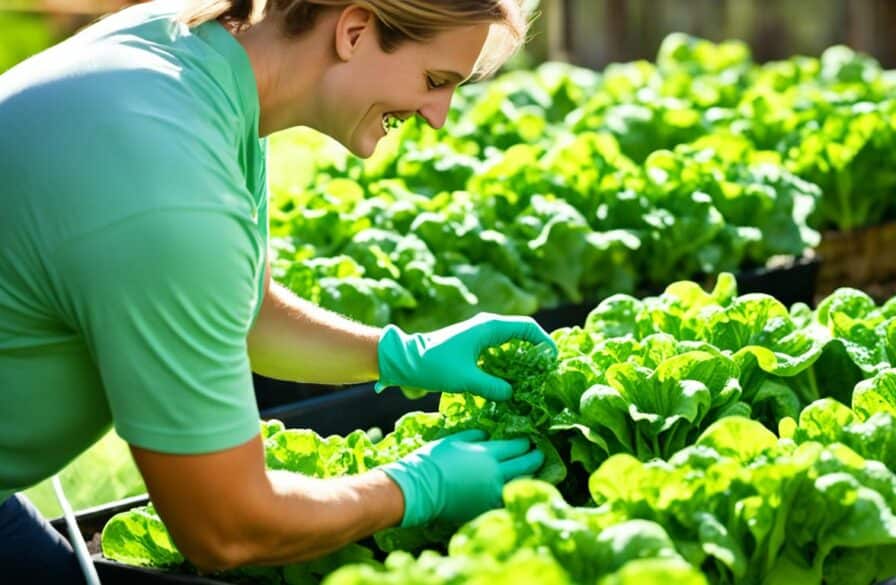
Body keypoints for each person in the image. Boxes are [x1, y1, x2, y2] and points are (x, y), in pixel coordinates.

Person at [0, 0, 553, 581]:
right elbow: (223, 526)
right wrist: (413, 488)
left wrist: (399, 355)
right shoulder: (170, 184)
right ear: (355, 30)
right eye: (435, 81)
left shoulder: (193, 62)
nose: (439, 115)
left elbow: (246, 312)